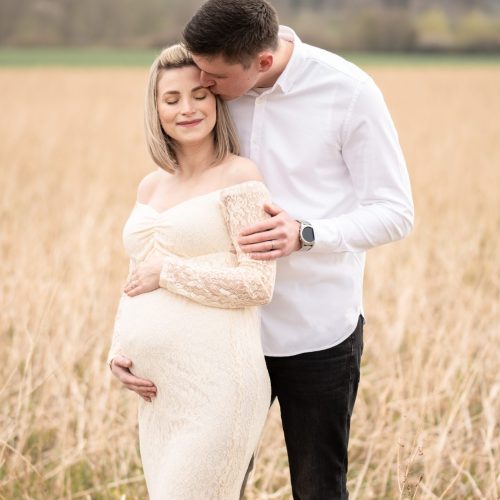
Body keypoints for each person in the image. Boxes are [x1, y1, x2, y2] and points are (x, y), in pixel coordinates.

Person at [115, 1, 415, 498]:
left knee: (319, 487)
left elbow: (395, 211)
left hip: (313, 331)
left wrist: (307, 233)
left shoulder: (348, 92)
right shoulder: (212, 87)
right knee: (213, 486)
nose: (201, 88)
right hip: (215, 339)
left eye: (213, 78)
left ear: (262, 64)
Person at [107, 43, 276, 499]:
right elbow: (135, 277)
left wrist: (171, 271)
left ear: (217, 102)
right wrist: (119, 350)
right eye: (172, 98)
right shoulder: (150, 185)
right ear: (156, 108)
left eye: (199, 95)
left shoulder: (241, 178)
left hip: (218, 389)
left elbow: (258, 283)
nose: (187, 108)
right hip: (159, 395)